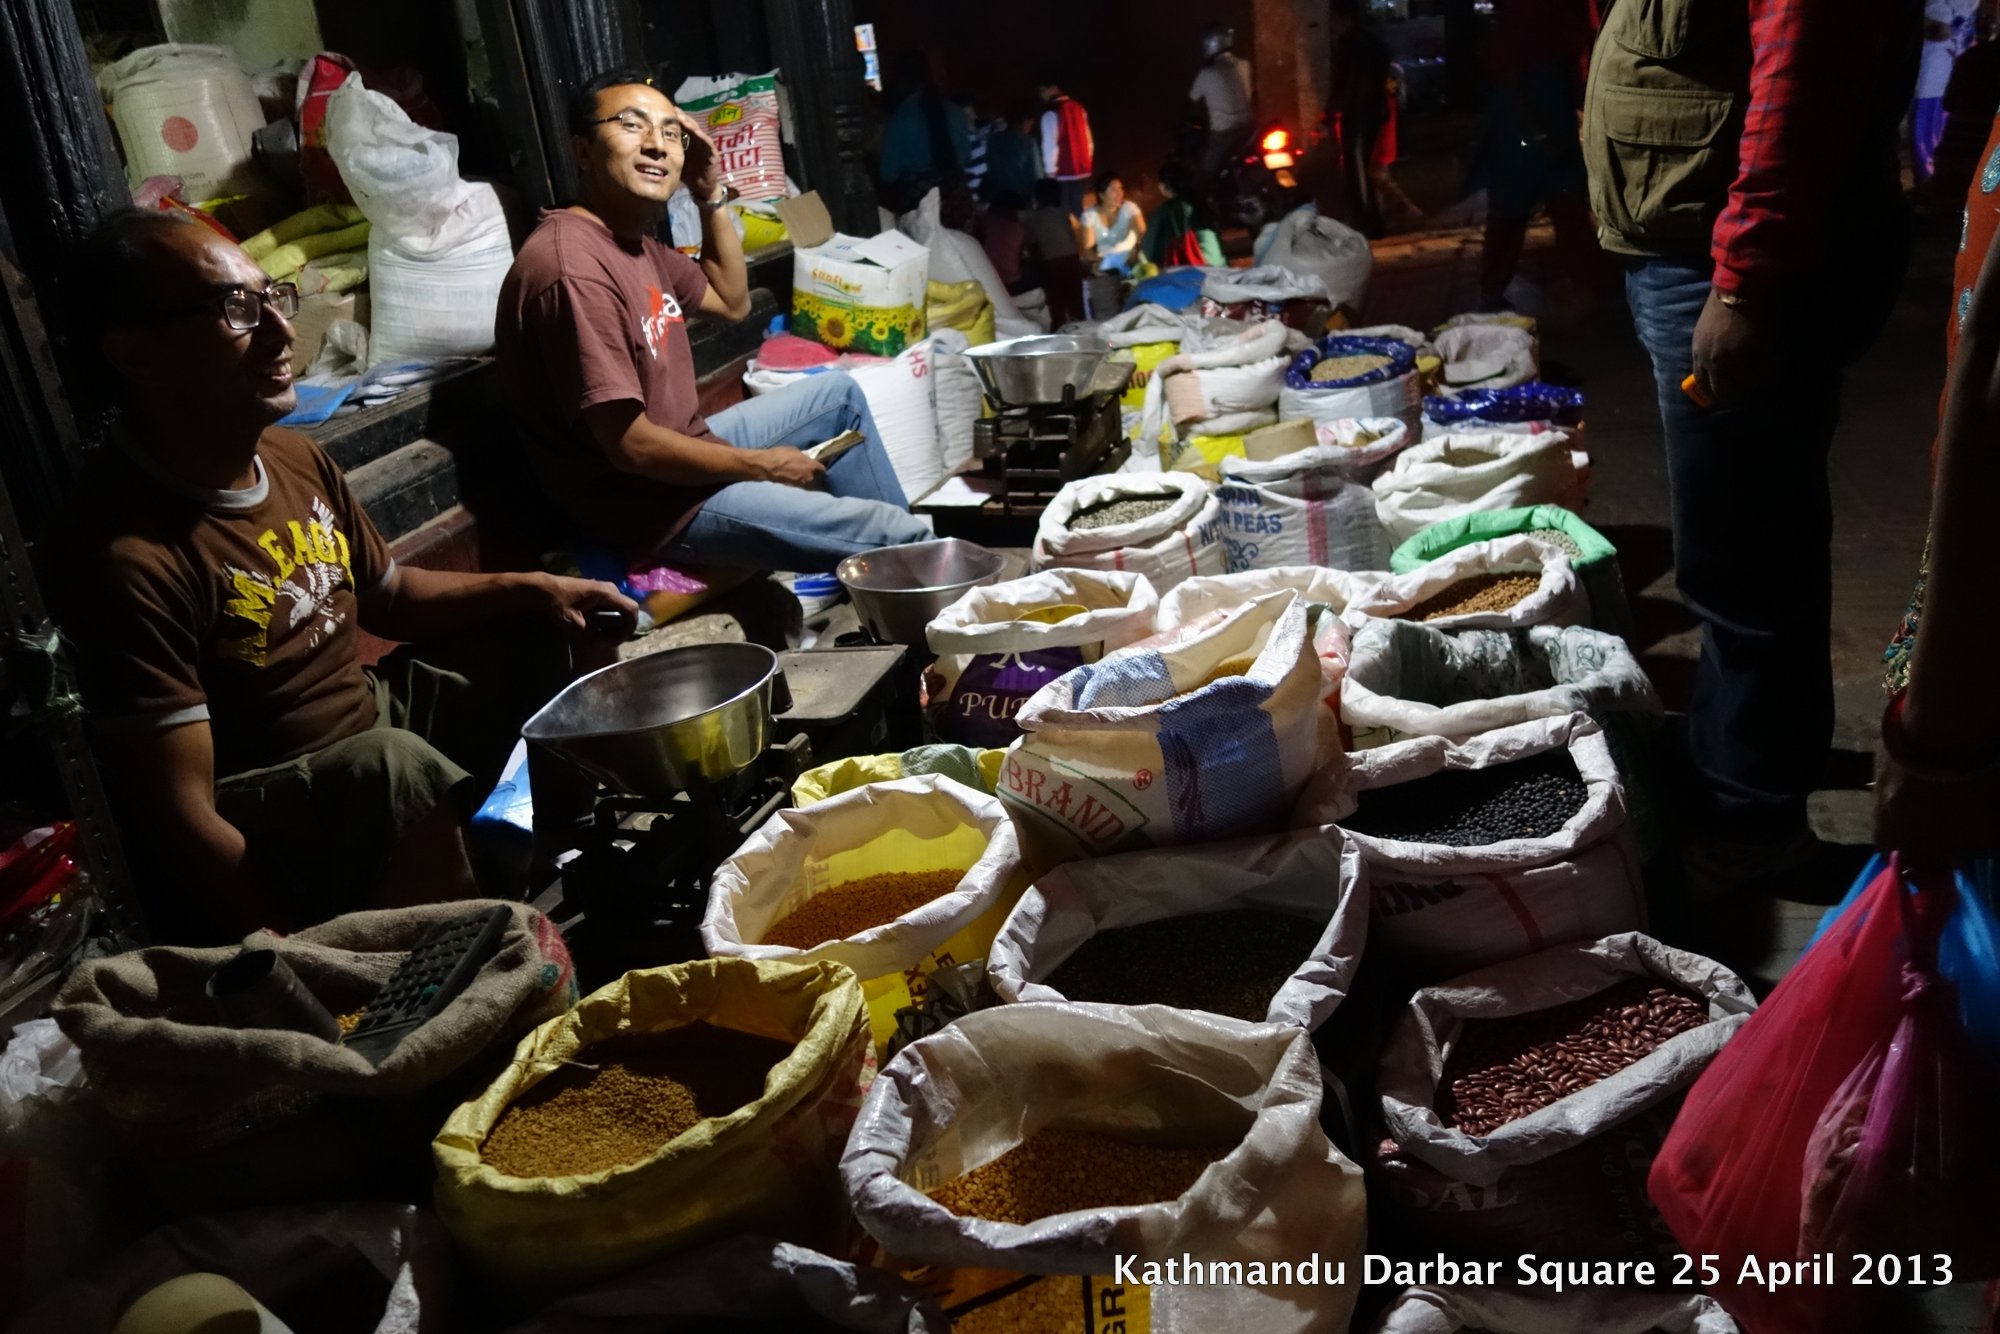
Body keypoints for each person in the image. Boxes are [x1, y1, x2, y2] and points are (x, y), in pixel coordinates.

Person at [54, 209, 638, 944]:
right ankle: (454, 961)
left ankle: (535, 869)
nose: (279, 332)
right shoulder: (127, 553)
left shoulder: (293, 458)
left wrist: (536, 589)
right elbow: (184, 818)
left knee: (539, 626)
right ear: (135, 354)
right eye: (235, 309)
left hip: (368, 731)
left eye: (273, 297)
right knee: (396, 772)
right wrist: (299, 959)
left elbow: (393, 598)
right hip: (280, 806)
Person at [1581, 0, 1923, 913]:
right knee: (1745, 542)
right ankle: (1744, 769)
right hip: (1696, 247)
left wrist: (1744, 280)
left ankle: (1754, 827)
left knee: (1744, 555)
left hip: (1725, 264)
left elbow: (1799, 76)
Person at [494, 69, 932, 576]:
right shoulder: (573, 268)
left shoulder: (632, 241)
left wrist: (709, 194)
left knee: (839, 396)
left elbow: (732, 301)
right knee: (898, 533)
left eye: (671, 132)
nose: (657, 145)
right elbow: (632, 448)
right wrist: (763, 467)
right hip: (649, 504)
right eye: (631, 125)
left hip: (684, 450)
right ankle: (914, 570)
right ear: (582, 150)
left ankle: (900, 579)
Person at [1476, 0, 1602, 309]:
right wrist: (1537, 133)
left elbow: (1579, 59)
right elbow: (1508, 74)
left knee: (1569, 207)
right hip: (1519, 125)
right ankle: (1491, 292)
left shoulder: (1568, 11)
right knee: (1511, 212)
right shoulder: (1526, 11)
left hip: (1552, 115)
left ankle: (1593, 287)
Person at [1327, 0, 1419, 236]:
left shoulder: (1348, 44)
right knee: (1367, 168)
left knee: (1355, 170)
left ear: (1342, 16)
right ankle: (1373, 220)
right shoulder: (1375, 44)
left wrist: (1330, 112)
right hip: (1374, 111)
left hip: (1356, 112)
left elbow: (1343, 83)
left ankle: (1368, 222)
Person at [877, 51, 970, 209]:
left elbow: (888, 173)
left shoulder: (901, 118)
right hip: (957, 203)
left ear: (901, 82)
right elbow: (966, 158)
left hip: (920, 208)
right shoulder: (955, 112)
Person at [1917, 0, 1981, 182]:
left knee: (1951, 108)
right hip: (1934, 50)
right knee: (1929, 110)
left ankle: (1943, 175)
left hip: (1961, 44)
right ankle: (1928, 175)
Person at [1189, 22, 1255, 185]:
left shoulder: (1206, 73)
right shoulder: (1245, 65)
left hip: (1223, 135)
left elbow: (1192, 99)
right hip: (1250, 129)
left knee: (1206, 173)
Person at [1024, 178, 1086, 327]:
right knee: (1075, 302)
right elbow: (1075, 236)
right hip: (1072, 260)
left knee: (1056, 303)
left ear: (1037, 197)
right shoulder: (1064, 214)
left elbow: (1033, 244)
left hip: (1051, 264)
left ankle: (1060, 330)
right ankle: (1081, 327)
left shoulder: (1034, 217)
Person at [1143, 160, 1226, 268]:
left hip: (1195, 272)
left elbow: (1149, 252)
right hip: (1221, 268)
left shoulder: (1165, 212)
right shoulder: (1202, 203)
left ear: (1163, 186)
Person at [1037, 71, 1096, 217]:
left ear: (1053, 88)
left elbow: (1050, 146)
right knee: (1078, 208)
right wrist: (1087, 160)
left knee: (1064, 212)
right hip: (1082, 169)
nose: (1041, 95)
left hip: (1062, 172)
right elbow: (1088, 140)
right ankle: (1083, 238)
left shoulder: (1050, 114)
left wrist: (1050, 173)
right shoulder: (1079, 108)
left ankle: (1070, 238)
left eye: (1042, 90)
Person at [1081, 171, 1146, 275]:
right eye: (1114, 190)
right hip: (1104, 263)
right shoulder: (1089, 215)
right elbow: (1088, 249)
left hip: (1129, 260)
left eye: (1121, 188)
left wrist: (1133, 252)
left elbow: (1141, 232)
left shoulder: (1129, 208)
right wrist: (1103, 261)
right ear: (1101, 195)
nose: (1120, 193)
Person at [982, 100, 1044, 205]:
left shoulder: (993, 139)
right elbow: (1037, 174)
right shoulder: (1029, 142)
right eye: (1030, 122)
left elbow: (990, 168)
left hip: (998, 198)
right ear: (1025, 121)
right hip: (1022, 198)